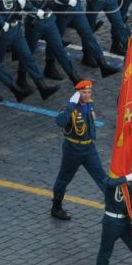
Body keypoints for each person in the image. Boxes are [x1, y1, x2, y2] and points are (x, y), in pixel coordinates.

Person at [49, 78, 105, 220]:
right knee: (64, 178)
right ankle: (56, 206)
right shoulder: (70, 108)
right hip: (73, 150)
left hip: (89, 148)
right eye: (83, 92)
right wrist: (71, 104)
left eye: (89, 92)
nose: (87, 95)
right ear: (77, 94)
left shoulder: (89, 104)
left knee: (102, 178)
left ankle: (116, 208)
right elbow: (60, 121)